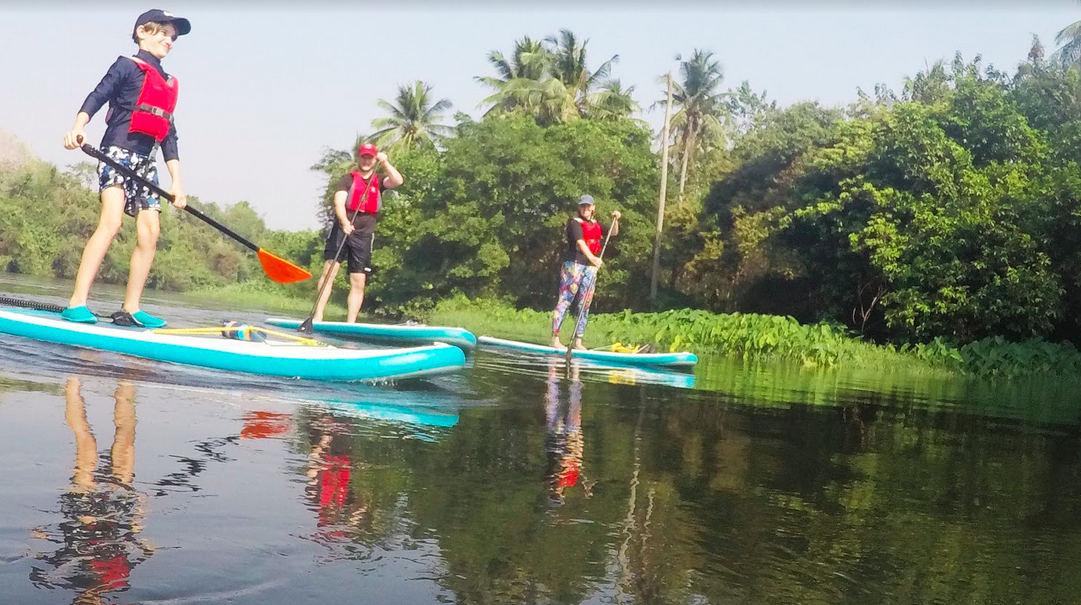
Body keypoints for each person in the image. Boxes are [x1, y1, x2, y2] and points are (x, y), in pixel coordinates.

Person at [60, 9, 192, 328]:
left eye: (172, 36)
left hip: (146, 162)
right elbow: (98, 96)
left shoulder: (170, 83)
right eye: (162, 32)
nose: (168, 40)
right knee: (112, 222)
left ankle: (131, 307)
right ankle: (77, 303)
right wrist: (78, 126)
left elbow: (168, 136)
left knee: (151, 232)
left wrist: (177, 183)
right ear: (142, 32)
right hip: (117, 151)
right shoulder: (126, 66)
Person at [312, 142, 403, 323]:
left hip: (364, 232)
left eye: (370, 157)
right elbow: (339, 202)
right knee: (330, 271)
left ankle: (351, 322)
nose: (367, 161)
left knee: (358, 279)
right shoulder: (347, 179)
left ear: (374, 158)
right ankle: (318, 316)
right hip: (344, 228)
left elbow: (398, 181)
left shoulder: (379, 180)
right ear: (359, 158)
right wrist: (345, 222)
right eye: (364, 157)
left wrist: (385, 163)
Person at [551, 195, 620, 350]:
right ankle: (555, 338)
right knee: (566, 300)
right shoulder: (575, 223)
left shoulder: (596, 224)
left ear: (593, 208)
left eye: (588, 207)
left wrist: (616, 219)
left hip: (590, 268)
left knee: (585, 303)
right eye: (583, 207)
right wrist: (593, 258)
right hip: (574, 265)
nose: (585, 209)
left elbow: (613, 232)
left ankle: (578, 341)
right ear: (579, 208)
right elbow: (580, 242)